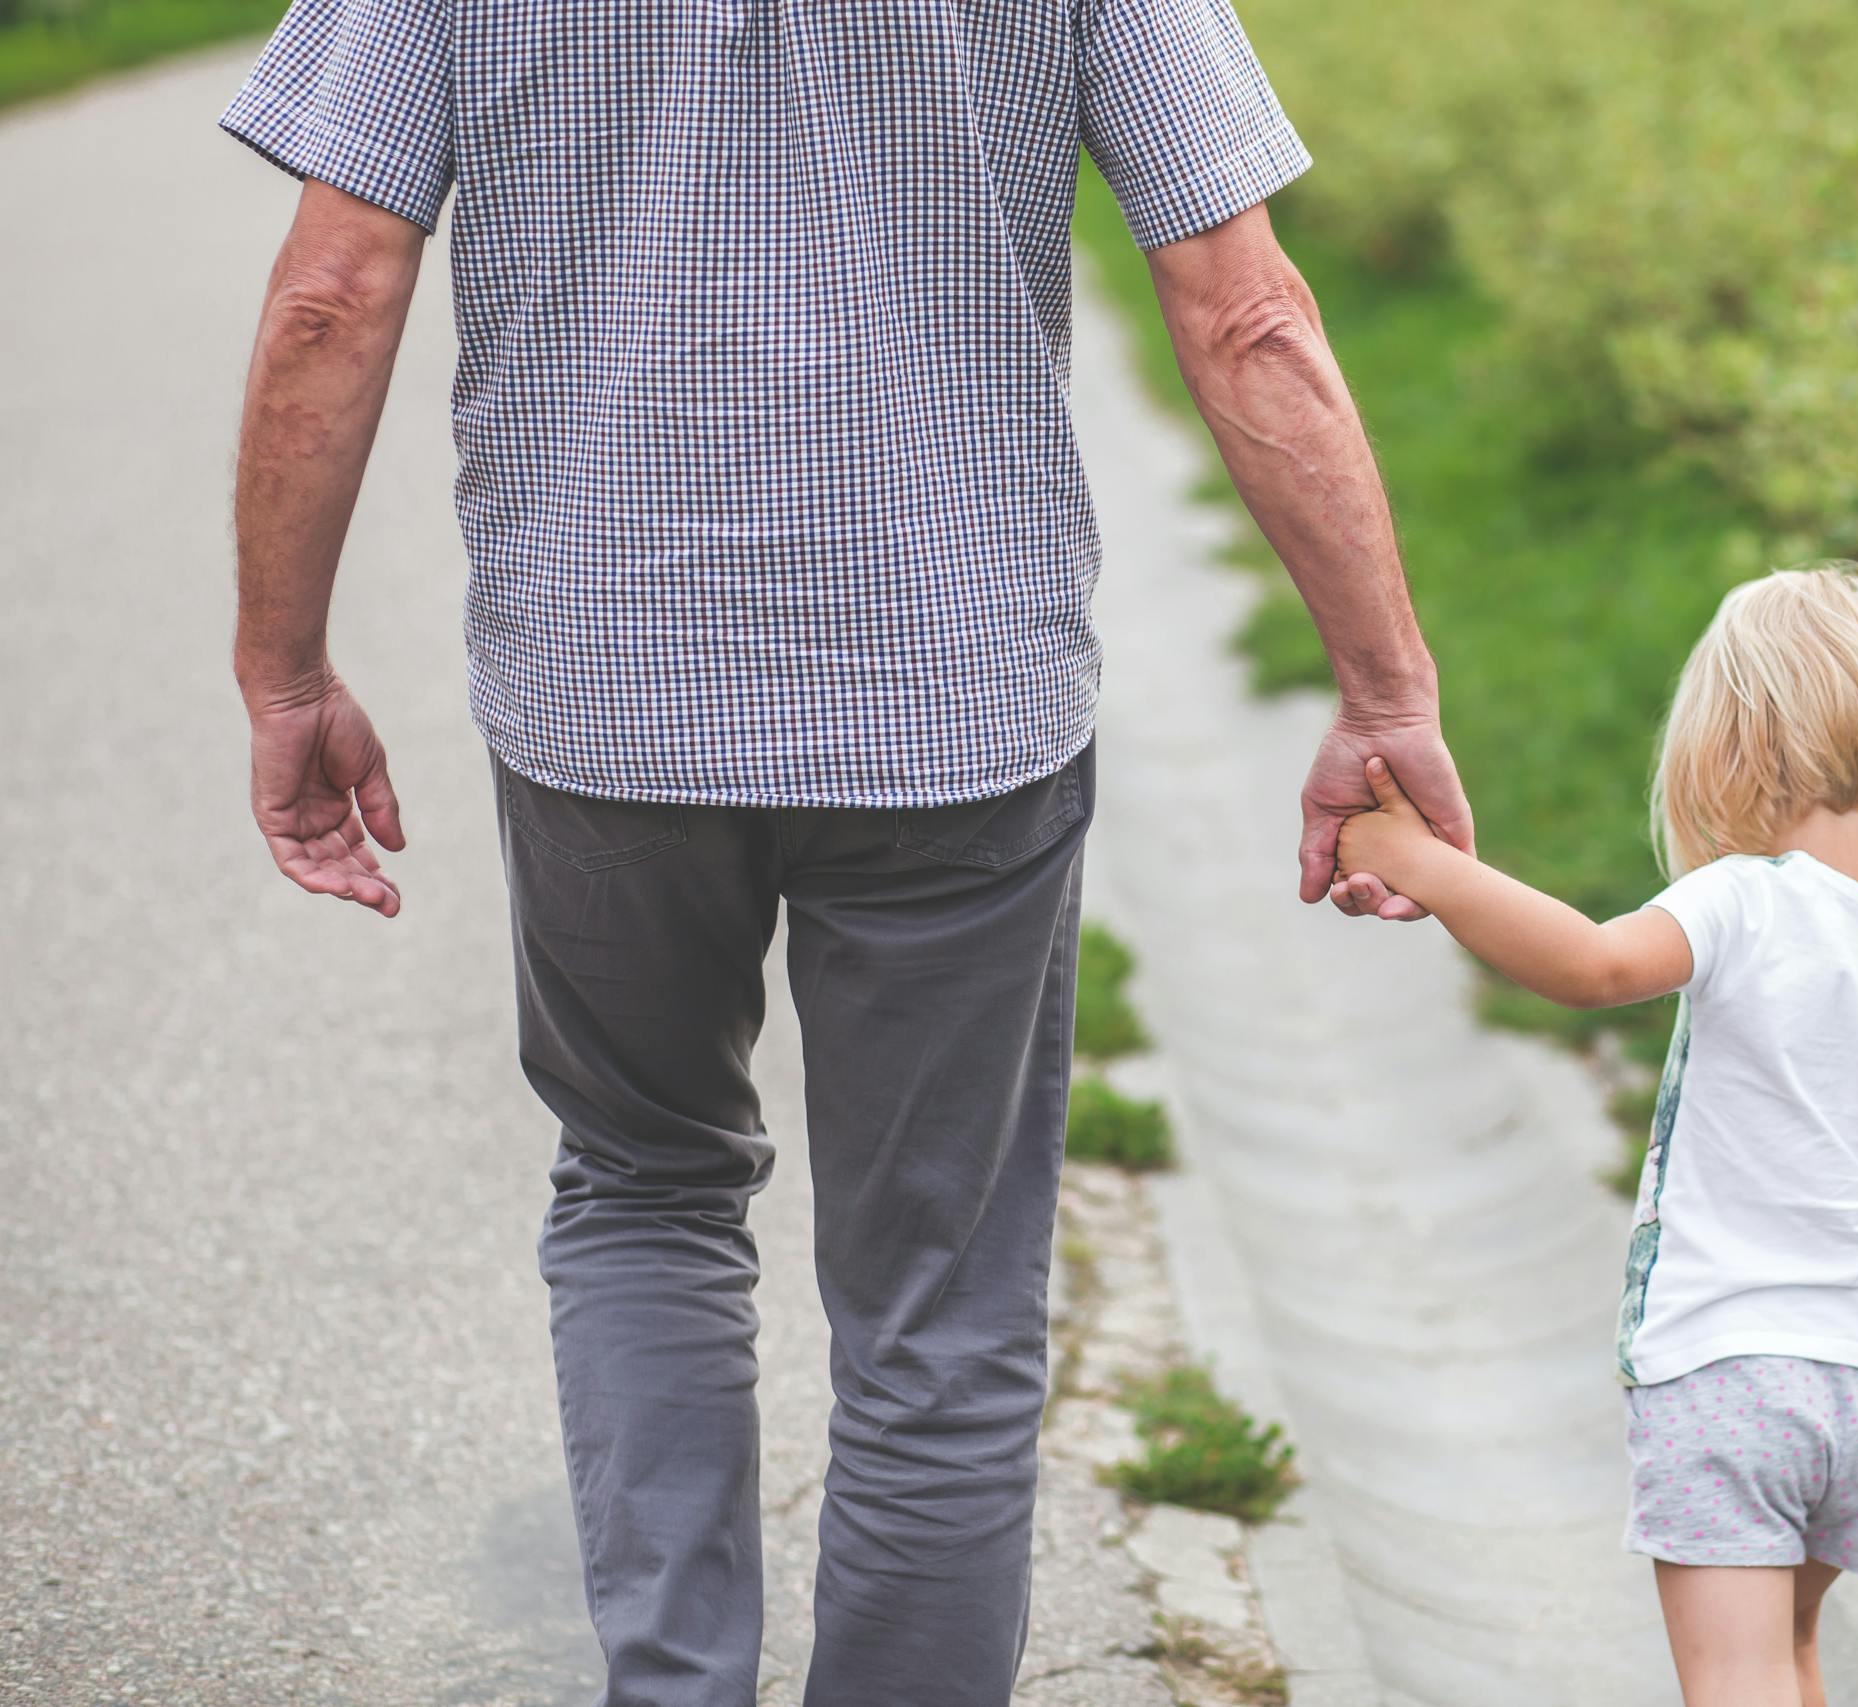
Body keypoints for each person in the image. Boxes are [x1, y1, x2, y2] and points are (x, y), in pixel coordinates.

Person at [217, 1, 1468, 1700]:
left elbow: (329, 290)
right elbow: (1245, 311)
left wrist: (284, 668)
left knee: (645, 1193)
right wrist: (1386, 684)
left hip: (607, 695)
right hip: (952, 705)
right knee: (938, 1313)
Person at [1333, 563, 1858, 1707]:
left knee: (1735, 1681)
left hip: (1726, 1371)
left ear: (1727, 750)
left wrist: (1425, 863)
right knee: (1789, 1659)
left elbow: (1590, 966)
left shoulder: (1743, 899)